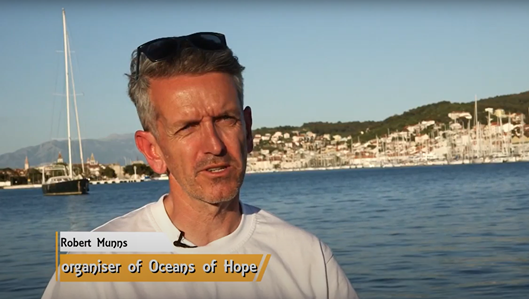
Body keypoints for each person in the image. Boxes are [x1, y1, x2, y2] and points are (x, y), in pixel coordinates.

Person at [41, 32, 359, 299]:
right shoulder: (93, 270)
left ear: (248, 130)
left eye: (225, 120)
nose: (214, 145)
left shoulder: (308, 260)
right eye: (188, 127)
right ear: (152, 150)